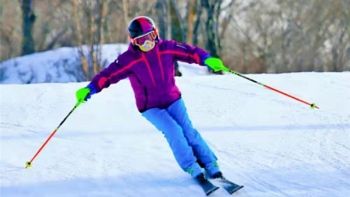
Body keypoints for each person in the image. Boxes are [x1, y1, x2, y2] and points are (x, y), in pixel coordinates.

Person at [76, 16, 229, 181]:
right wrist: (91, 88)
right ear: (133, 41)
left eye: (148, 37)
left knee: (189, 132)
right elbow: (108, 75)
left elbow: (191, 52)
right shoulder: (129, 59)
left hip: (173, 100)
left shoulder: (168, 48)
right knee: (174, 132)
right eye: (141, 40)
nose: (146, 43)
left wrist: (206, 59)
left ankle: (210, 163)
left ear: (155, 34)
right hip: (151, 107)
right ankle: (191, 166)